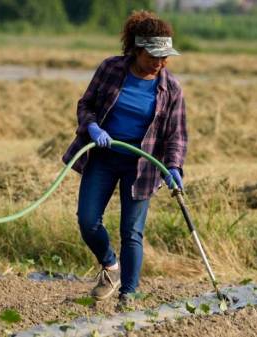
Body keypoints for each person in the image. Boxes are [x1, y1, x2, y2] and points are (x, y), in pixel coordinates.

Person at [62, 10, 187, 308]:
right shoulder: (110, 69)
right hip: (104, 157)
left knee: (131, 231)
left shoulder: (170, 88)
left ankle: (128, 295)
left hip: (142, 165)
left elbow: (176, 135)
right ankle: (110, 266)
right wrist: (92, 126)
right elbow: (86, 104)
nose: (160, 62)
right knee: (88, 220)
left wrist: (173, 166)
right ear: (136, 50)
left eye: (165, 57)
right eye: (153, 56)